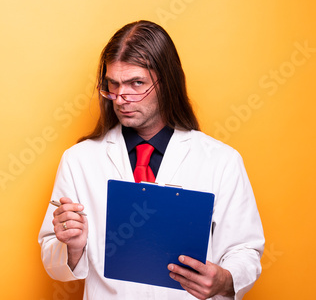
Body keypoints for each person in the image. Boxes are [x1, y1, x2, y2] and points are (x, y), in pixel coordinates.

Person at [38, 20, 264, 300]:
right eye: (113, 84)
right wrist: (72, 247)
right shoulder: (79, 160)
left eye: (136, 83)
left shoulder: (221, 161)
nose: (121, 98)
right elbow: (54, 261)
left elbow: (245, 250)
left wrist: (224, 279)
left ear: (166, 83)